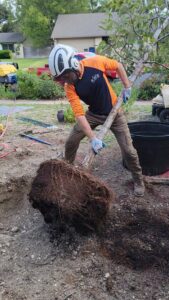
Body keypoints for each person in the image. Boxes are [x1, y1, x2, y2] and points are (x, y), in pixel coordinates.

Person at [48, 44, 145, 197]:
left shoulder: (95, 62)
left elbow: (118, 66)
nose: (64, 81)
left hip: (115, 112)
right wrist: (93, 138)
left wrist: (127, 86)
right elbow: (79, 115)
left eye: (65, 76)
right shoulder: (69, 87)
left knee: (129, 151)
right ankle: (68, 172)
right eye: (61, 79)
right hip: (93, 114)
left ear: (73, 66)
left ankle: (138, 180)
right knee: (71, 141)